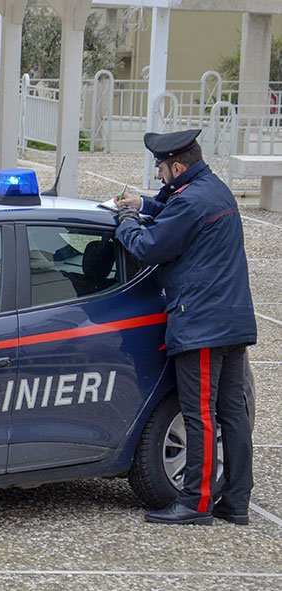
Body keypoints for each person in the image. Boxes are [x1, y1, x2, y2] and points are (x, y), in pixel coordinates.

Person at [114, 129, 257, 526]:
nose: (158, 176)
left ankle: (195, 502)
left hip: (202, 326)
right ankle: (236, 501)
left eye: (160, 168)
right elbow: (172, 209)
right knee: (232, 413)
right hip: (231, 321)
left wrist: (126, 219)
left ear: (177, 166)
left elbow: (146, 247)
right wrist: (142, 203)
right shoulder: (212, 189)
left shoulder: (190, 201)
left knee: (199, 415)